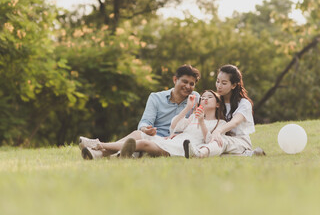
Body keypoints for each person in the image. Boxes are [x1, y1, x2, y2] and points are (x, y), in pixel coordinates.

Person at [79, 64, 201, 159]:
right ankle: (97, 154)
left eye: (192, 84)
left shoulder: (195, 99)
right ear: (175, 80)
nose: (188, 86)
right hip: (154, 137)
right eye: (184, 81)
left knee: (140, 140)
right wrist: (146, 129)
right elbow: (145, 122)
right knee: (138, 133)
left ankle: (97, 146)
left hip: (172, 143)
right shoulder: (156, 97)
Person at [90, 90, 226, 158]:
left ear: (218, 104)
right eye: (202, 98)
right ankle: (101, 154)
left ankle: (98, 145)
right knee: (139, 133)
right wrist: (188, 108)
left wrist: (202, 122)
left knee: (144, 143)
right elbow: (174, 127)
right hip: (172, 141)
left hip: (181, 148)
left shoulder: (220, 123)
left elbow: (210, 141)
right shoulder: (193, 117)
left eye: (209, 97)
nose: (205, 99)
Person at [184, 64, 265, 158]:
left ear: (233, 85)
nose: (219, 86)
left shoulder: (244, 103)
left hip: (239, 142)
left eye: (224, 83)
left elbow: (235, 122)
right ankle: (247, 155)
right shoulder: (216, 102)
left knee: (220, 141)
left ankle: (199, 154)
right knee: (217, 148)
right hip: (216, 138)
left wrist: (218, 131)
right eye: (218, 81)